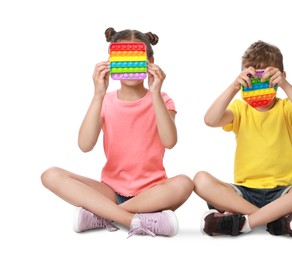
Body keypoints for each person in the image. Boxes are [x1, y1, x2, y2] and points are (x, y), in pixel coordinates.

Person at [41, 27, 194, 238]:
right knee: (50, 175)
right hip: (110, 192)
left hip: (152, 193)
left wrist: (156, 92)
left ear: (151, 60)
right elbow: (85, 145)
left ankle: (104, 215)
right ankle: (134, 220)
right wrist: (98, 94)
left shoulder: (162, 99)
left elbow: (169, 142)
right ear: (111, 61)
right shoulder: (105, 101)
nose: (130, 63)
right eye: (123, 57)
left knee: (185, 183)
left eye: (137, 58)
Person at [193, 40, 292, 239]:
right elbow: (210, 120)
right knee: (201, 180)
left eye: (266, 77)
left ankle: (246, 221)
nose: (259, 84)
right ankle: (275, 220)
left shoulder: (286, 108)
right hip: (243, 193)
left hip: (281, 194)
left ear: (280, 77)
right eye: (252, 78)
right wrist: (233, 87)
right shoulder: (240, 109)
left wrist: (286, 85)